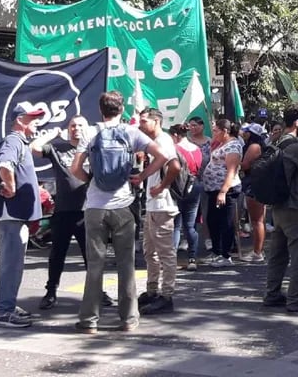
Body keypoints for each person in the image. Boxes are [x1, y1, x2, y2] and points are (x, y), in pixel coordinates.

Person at [69, 91, 179, 334]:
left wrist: (90, 180)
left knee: (95, 265)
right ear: (121, 110)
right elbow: (163, 156)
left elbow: (74, 168)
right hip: (123, 205)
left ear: (101, 110)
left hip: (95, 206)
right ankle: (128, 318)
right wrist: (141, 176)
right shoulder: (131, 132)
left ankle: (89, 320)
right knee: (126, 264)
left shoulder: (91, 132)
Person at [30, 116, 112, 309]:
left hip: (88, 210)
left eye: (80, 125)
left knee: (91, 255)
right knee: (57, 254)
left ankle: (98, 291)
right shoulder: (58, 148)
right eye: (73, 126)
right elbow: (34, 147)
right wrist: (51, 134)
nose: (76, 129)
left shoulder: (94, 148)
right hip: (63, 210)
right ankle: (51, 292)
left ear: (87, 128)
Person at [0, 104, 45, 328]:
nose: (37, 122)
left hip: (13, 215)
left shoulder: (19, 142)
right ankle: (4, 312)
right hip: (10, 214)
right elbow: (5, 165)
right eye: (33, 118)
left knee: (13, 264)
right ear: (21, 120)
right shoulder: (14, 141)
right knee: (11, 265)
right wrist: (11, 187)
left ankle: (8, 306)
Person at [261, 104, 298, 313]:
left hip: (277, 204)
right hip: (293, 205)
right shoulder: (294, 146)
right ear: (297, 122)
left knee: (277, 254)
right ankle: (296, 297)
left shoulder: (275, 142)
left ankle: (272, 293)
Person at [134, 108, 182, 315]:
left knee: (165, 253)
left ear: (156, 122)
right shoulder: (153, 143)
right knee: (149, 251)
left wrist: (161, 186)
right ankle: (152, 291)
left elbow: (175, 167)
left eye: (144, 121)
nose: (140, 125)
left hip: (163, 205)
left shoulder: (163, 141)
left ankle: (167, 295)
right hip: (153, 205)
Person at [201, 119, 243, 266]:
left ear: (225, 131)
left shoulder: (233, 146)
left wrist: (223, 191)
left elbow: (231, 171)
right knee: (213, 221)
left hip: (226, 190)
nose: (214, 134)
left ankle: (226, 255)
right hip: (212, 188)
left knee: (226, 222)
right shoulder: (221, 144)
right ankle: (217, 251)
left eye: (216, 131)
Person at [171, 123, 204, 271]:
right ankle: (192, 258)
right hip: (195, 184)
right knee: (190, 226)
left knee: (176, 225)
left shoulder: (175, 149)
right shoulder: (196, 148)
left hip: (179, 186)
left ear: (176, 135)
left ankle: (171, 259)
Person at [238, 123, 268, 263]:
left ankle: (258, 252)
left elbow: (245, 165)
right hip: (257, 183)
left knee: (257, 220)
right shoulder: (257, 146)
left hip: (254, 184)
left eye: (246, 131)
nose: (243, 133)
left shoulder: (254, 147)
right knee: (257, 220)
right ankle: (258, 249)